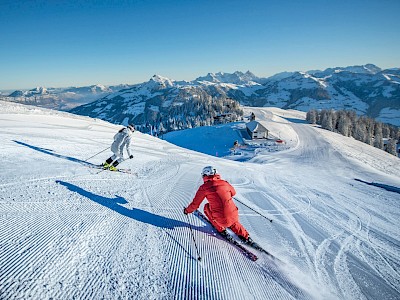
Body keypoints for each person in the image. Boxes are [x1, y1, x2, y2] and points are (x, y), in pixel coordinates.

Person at [184, 166, 253, 244]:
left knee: (207, 207)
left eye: (203, 175)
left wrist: (187, 211)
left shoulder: (204, 188)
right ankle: (246, 237)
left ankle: (221, 229)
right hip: (234, 215)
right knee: (231, 217)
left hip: (221, 220)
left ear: (206, 175)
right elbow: (233, 193)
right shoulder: (225, 183)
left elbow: (195, 204)